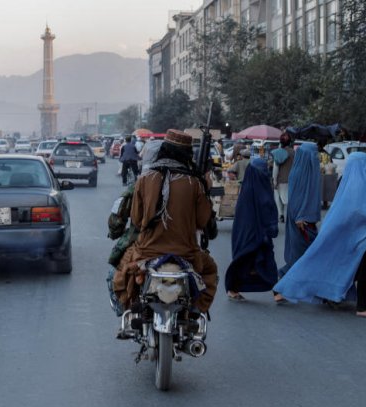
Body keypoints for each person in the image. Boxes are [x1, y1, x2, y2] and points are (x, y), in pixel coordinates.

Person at [113, 129, 218, 314]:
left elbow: (137, 220)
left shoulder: (144, 179)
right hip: (187, 254)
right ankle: (196, 310)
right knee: (210, 270)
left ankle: (131, 311)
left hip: (146, 252)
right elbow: (203, 221)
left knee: (121, 272)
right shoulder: (195, 182)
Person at [273, 152, 366, 319]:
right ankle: (362, 307)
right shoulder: (359, 185)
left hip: (358, 236)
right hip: (364, 236)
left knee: (344, 268)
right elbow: (359, 212)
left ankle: (338, 297)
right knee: (363, 271)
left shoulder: (352, 182)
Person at [225, 158, 279, 300]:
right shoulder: (251, 190)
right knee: (245, 262)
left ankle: (277, 290)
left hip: (261, 234)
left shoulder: (256, 186)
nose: (265, 173)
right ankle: (232, 288)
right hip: (251, 235)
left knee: (266, 262)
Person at [277, 142, 322, 280]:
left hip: (307, 219)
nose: (317, 157)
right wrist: (301, 216)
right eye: (314, 154)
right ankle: (283, 279)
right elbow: (297, 199)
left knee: (306, 253)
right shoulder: (300, 173)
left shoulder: (307, 171)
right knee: (304, 254)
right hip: (301, 220)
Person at [271, 134, 294, 223]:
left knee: (278, 196)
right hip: (292, 179)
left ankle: (281, 214)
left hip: (281, 179)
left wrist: (274, 180)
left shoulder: (278, 152)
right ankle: (290, 215)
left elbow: (276, 168)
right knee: (289, 198)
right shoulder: (294, 152)